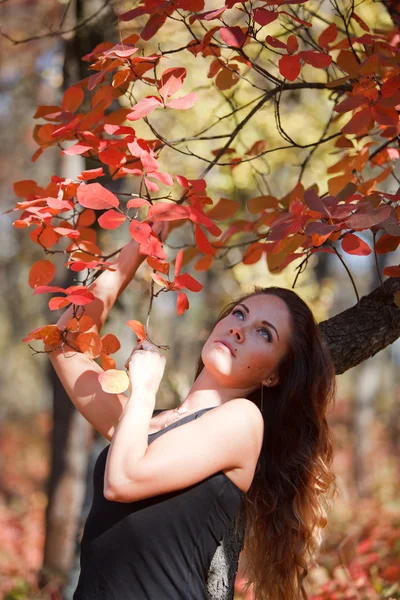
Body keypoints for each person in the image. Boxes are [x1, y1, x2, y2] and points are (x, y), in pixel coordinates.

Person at [44, 221, 337, 600]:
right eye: (239, 314)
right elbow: (64, 343)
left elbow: (123, 481)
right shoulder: (144, 427)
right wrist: (136, 248)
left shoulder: (243, 423)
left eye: (265, 333)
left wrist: (144, 389)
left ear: (274, 376)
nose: (239, 329)